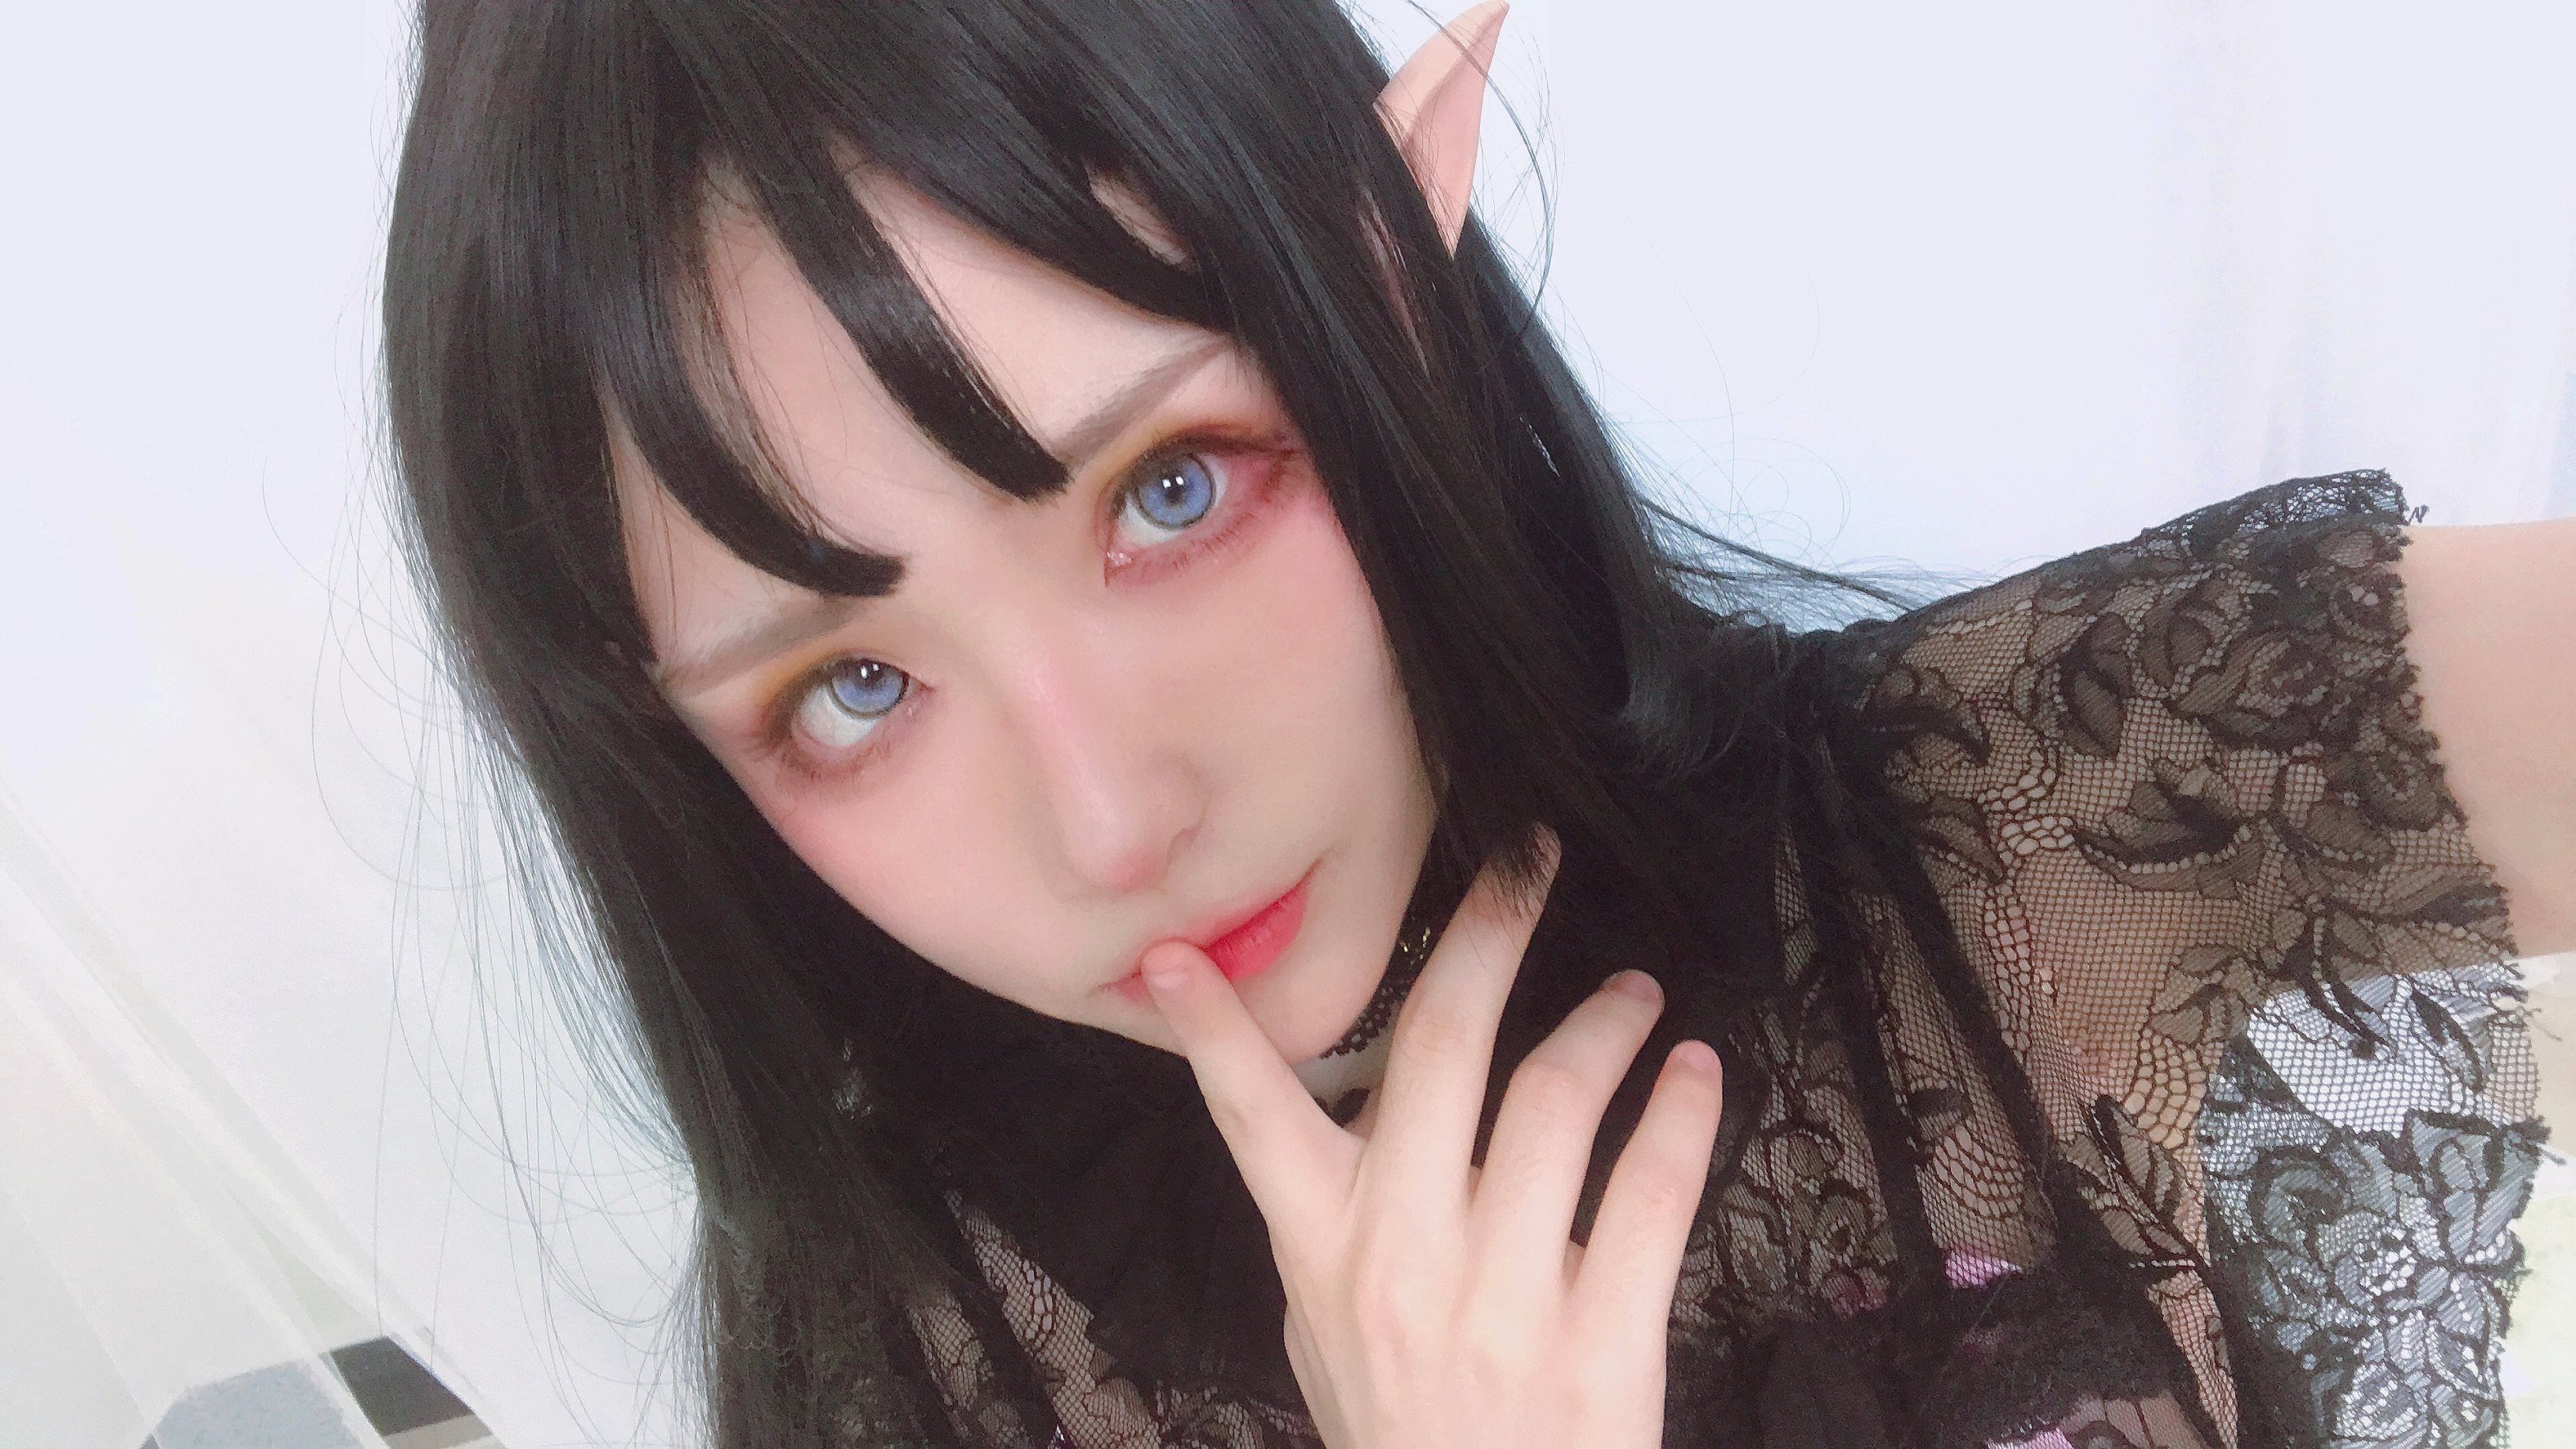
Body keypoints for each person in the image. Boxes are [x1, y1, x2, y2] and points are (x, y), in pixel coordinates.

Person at [378, 2, 2576, 1445]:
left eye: (1171, 488)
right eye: (849, 688)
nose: (1113, 820)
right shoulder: (919, 1342)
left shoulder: (2068, 814)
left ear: (1387, 271)